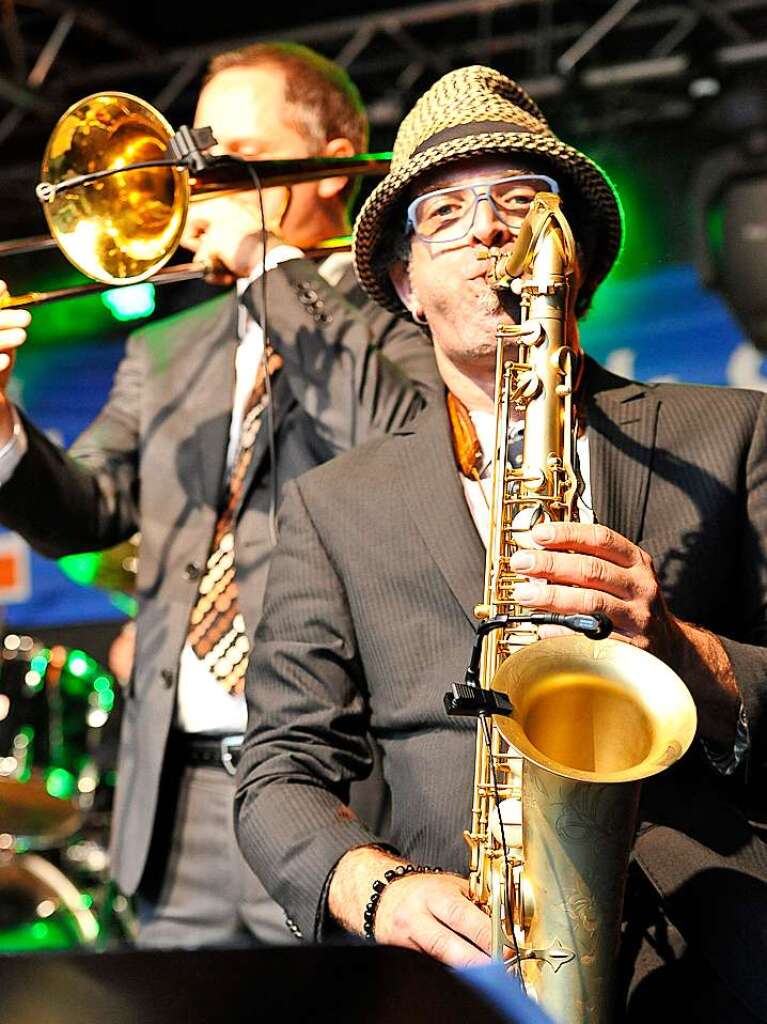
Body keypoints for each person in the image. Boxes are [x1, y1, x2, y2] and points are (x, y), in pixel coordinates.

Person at [235, 66, 767, 1020]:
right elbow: (277, 769)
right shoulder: (332, 505)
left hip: (719, 966)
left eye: (520, 203)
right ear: (404, 281)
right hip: (464, 972)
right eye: (443, 213)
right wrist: (380, 891)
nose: (486, 229)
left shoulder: (732, 434)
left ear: (574, 259)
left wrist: (679, 651)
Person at [0, 42, 438, 948]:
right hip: (181, 802)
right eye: (198, 157)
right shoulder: (165, 351)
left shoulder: (403, 313)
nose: (205, 182)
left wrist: (261, 258)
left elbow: (402, 445)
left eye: (238, 152)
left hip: (348, 797)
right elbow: (85, 512)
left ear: (333, 157)